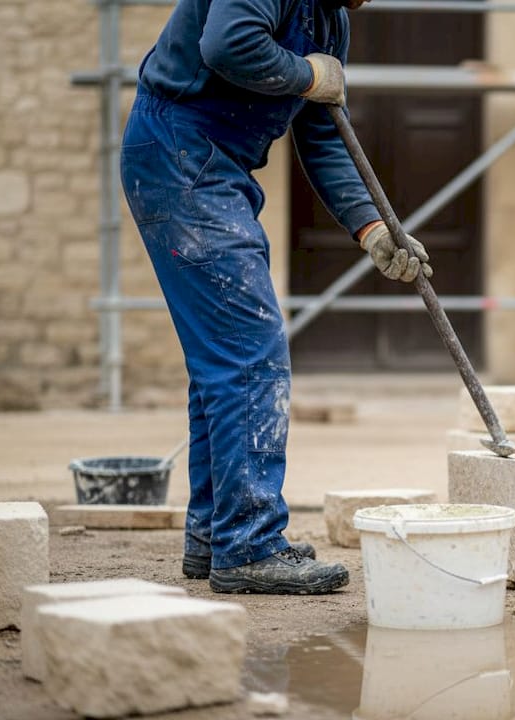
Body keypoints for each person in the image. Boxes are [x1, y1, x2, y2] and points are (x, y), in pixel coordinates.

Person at [120, 0, 431, 594]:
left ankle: (217, 536)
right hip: (180, 152)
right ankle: (250, 544)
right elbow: (229, 44)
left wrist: (371, 228)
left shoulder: (330, 19)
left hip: (214, 165)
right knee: (248, 350)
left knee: (224, 359)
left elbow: (322, 132)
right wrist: (313, 74)